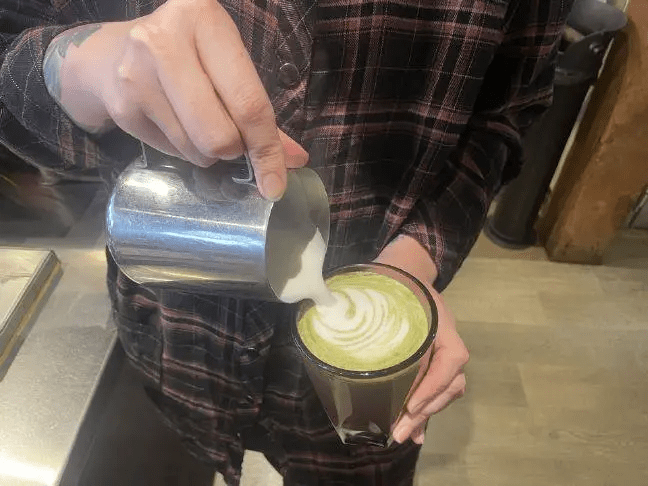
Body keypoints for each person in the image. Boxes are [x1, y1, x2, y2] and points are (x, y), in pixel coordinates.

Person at [0, 0, 571, 484]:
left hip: (359, 397)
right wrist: (80, 65)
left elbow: (505, 113)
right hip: (181, 342)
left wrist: (413, 262)